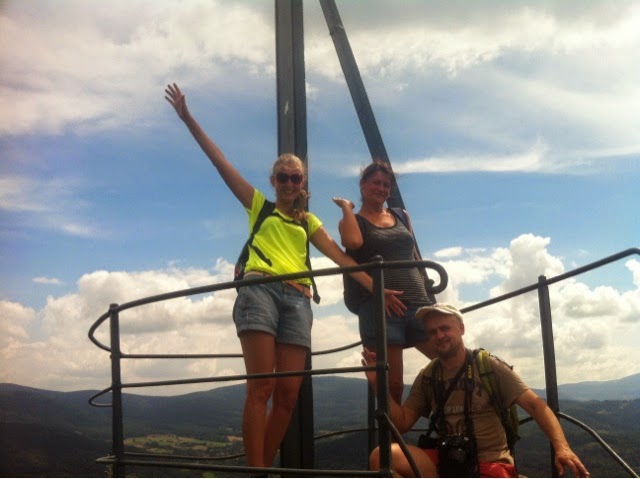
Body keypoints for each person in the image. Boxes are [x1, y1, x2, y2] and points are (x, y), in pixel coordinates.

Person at [164, 83, 403, 469]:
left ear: (302, 184)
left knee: (288, 395)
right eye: (283, 177)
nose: (290, 183)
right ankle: (256, 471)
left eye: (296, 178)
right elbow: (220, 162)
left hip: (299, 300)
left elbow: (342, 258)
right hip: (259, 289)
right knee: (261, 387)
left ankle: (263, 467)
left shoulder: (309, 221)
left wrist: (378, 290)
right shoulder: (259, 206)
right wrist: (188, 118)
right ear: (273, 181)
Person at [362, 303, 590, 478]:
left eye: (444, 328)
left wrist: (562, 447)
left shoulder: (487, 366)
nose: (439, 336)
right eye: (432, 332)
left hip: (489, 461)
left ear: (461, 329)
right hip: (447, 460)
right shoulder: (429, 375)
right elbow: (401, 423)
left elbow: (535, 405)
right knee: (382, 456)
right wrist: (378, 385)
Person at [334, 160, 435, 403]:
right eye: (376, 183)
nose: (381, 189)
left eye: (386, 185)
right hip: (380, 307)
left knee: (450, 361)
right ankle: (391, 428)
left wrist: (427, 289)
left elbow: (413, 254)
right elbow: (353, 243)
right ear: (362, 184)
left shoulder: (401, 216)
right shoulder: (353, 221)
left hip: (418, 302)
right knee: (393, 384)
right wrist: (347, 208)